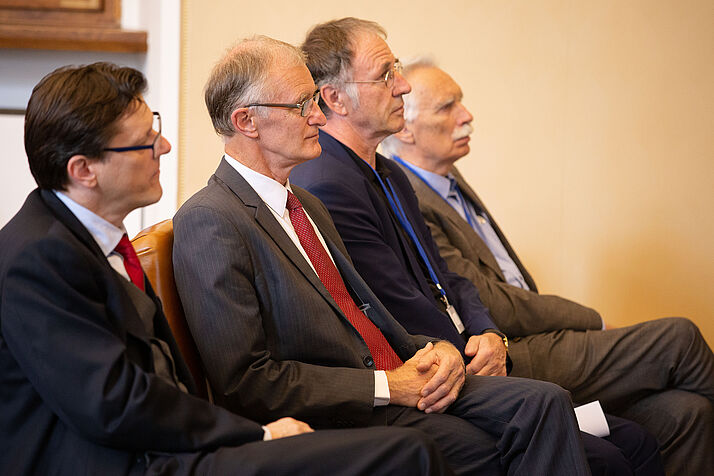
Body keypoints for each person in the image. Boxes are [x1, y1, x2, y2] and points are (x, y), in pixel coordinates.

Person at [0, 62, 455, 476]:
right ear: (84, 170)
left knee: (416, 446)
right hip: (129, 463)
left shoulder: (86, 238)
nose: (165, 145)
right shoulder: (37, 258)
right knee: (407, 454)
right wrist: (255, 435)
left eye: (154, 127)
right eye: (144, 141)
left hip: (170, 447)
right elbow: (115, 406)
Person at [172, 35, 593, 476]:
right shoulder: (211, 220)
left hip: (398, 374)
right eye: (302, 106)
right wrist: (387, 386)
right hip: (342, 409)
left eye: (315, 100)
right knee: (492, 446)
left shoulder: (305, 204)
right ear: (247, 121)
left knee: (545, 400)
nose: (318, 115)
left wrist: (437, 349)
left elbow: (364, 313)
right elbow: (246, 382)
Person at [290, 18, 664, 476]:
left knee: (637, 440)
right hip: (428, 372)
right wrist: (470, 346)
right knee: (612, 452)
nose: (402, 86)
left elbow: (450, 280)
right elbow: (394, 305)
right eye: (386, 73)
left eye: (398, 69)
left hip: (468, 353)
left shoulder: (390, 174)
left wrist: (488, 333)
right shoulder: (326, 182)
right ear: (334, 98)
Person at [379, 59, 714, 475]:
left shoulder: (450, 178)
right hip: (511, 348)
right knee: (678, 338)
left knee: (688, 411)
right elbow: (490, 299)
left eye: (461, 102)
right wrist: (593, 321)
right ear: (406, 130)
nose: (467, 116)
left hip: (535, 339)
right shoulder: (408, 195)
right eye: (448, 107)